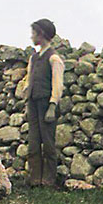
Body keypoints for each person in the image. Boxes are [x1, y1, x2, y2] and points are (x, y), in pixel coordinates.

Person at [23, 18, 65, 187]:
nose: (31, 36)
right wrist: (27, 101)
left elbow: (57, 84)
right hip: (33, 103)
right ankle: (35, 179)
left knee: (48, 143)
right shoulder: (34, 58)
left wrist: (52, 105)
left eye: (33, 33)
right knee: (33, 143)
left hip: (47, 104)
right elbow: (29, 81)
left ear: (41, 34)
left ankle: (48, 180)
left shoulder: (54, 58)